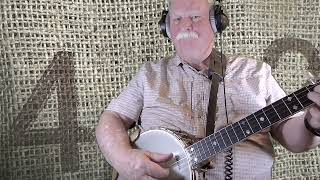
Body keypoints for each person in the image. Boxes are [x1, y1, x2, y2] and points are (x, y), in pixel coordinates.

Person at [95, 0, 320, 179]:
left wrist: (313, 124)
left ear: (217, 22)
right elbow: (112, 117)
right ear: (167, 28)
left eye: (195, 17)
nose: (186, 26)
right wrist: (122, 158)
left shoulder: (255, 74)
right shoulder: (149, 75)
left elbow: (294, 139)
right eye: (177, 18)